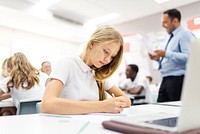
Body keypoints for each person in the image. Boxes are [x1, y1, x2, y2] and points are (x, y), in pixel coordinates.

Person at [42, 25, 131, 115]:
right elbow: (47, 105)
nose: (107, 59)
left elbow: (127, 100)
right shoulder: (67, 63)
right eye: (106, 51)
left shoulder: (97, 73)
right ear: (92, 44)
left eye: (112, 56)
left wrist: (113, 104)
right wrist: (102, 106)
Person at [149, 8, 196, 102]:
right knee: (161, 110)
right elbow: (171, 58)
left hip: (178, 79)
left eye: (165, 22)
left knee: (174, 112)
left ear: (175, 21)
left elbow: (191, 57)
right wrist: (158, 59)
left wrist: (166, 53)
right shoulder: (170, 37)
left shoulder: (184, 34)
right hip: (166, 78)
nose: (163, 25)